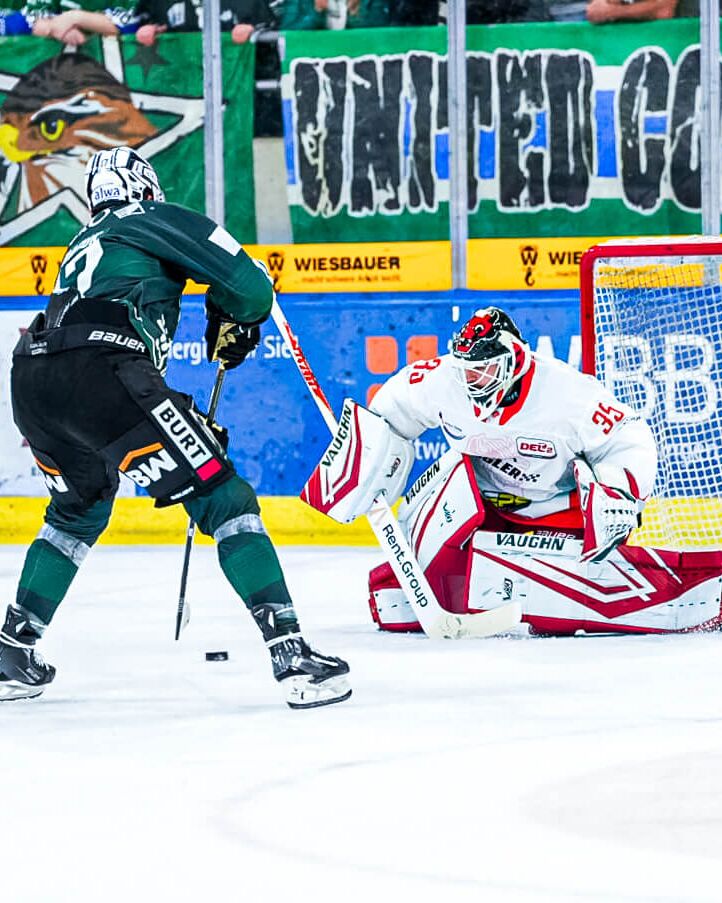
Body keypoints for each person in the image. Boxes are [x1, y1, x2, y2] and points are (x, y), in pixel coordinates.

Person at [0, 146, 351, 709]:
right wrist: (235, 314)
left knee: (77, 509)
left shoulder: (85, 242)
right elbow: (252, 286)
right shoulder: (148, 217)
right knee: (224, 496)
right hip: (103, 373)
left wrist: (214, 327)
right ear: (145, 185)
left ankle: (11, 650)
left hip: (34, 381)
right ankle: (292, 655)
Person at [303, 308, 722, 636]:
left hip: (554, 516)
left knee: (548, 610)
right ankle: (486, 577)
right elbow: (393, 411)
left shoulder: (566, 394)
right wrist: (361, 459)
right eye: (466, 369)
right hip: (480, 507)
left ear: (514, 360)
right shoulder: (441, 380)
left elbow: (628, 436)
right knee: (393, 596)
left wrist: (619, 493)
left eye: (482, 370)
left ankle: (669, 585)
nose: (471, 380)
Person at [135, 0, 275, 45]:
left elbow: (270, 25)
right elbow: (141, 20)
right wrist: (148, 28)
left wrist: (254, 30)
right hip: (182, 83)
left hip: (237, 86)